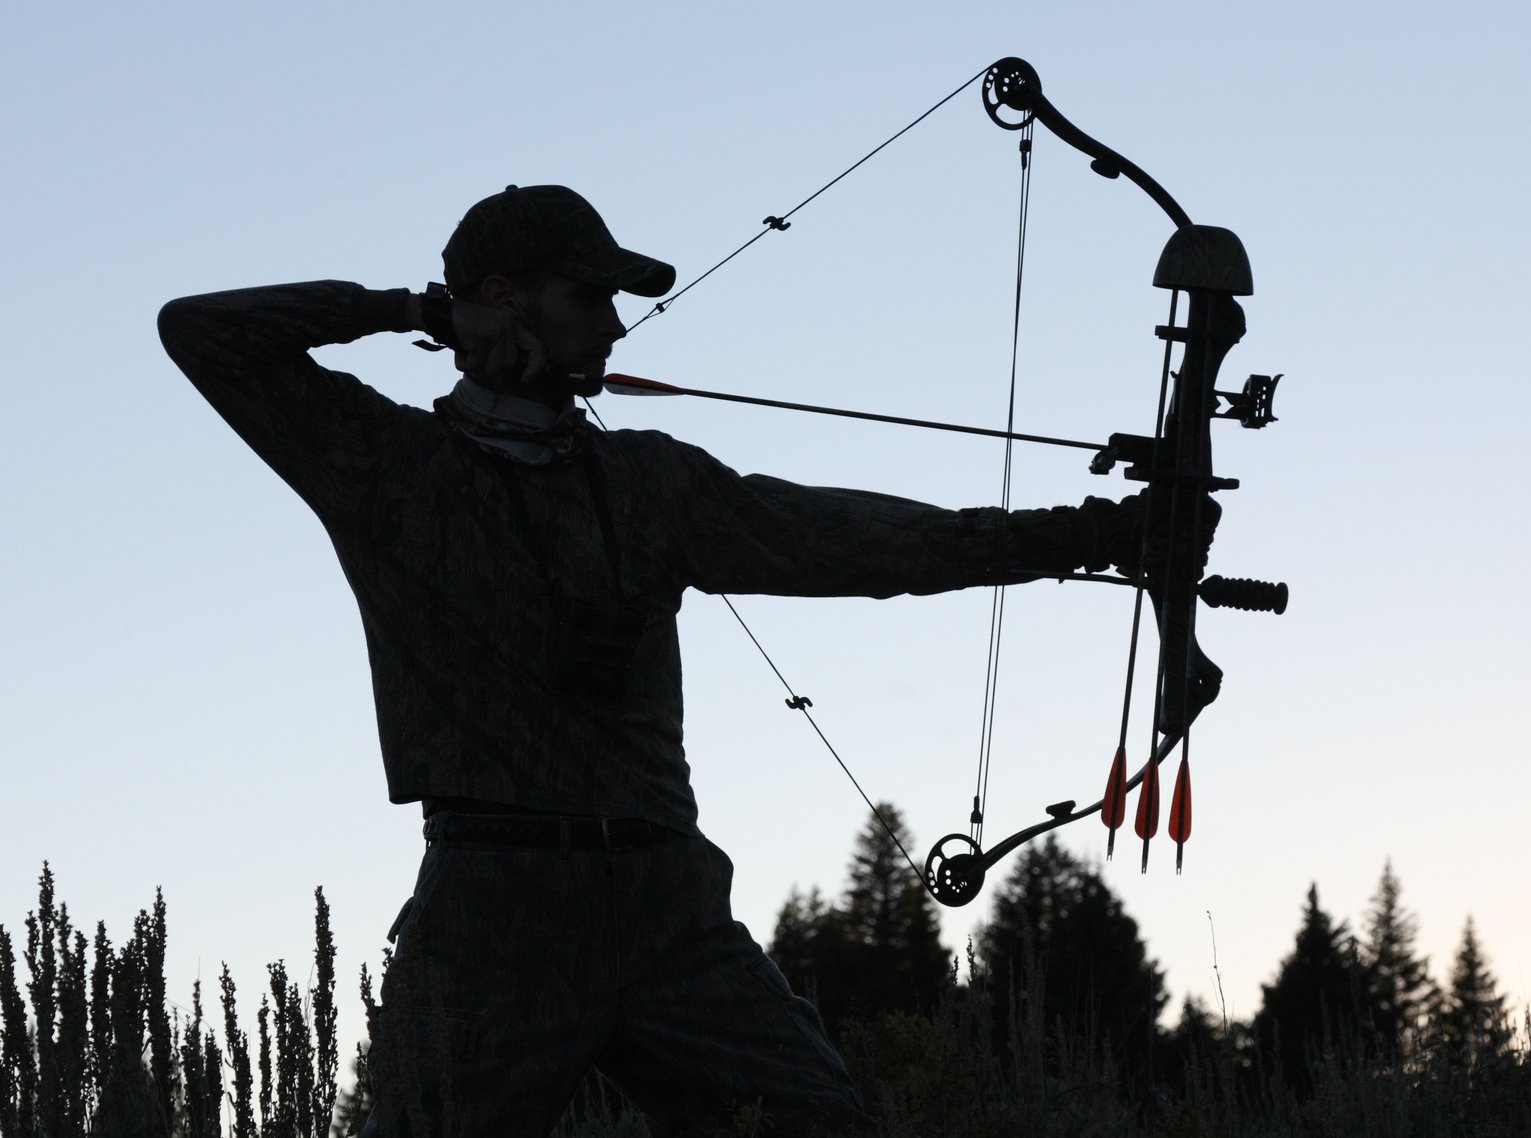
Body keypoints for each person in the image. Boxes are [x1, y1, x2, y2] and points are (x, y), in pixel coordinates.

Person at [159, 185, 1155, 1137]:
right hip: (493, 901)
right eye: (587, 296)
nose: (613, 326)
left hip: (666, 900)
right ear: (500, 297)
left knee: (813, 1124)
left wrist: (1092, 533)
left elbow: (851, 540)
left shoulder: (646, 482)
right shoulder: (385, 463)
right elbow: (198, 331)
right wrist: (409, 310)